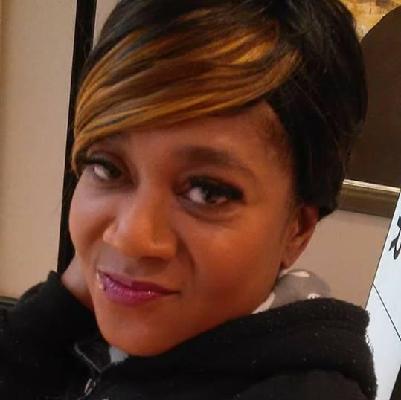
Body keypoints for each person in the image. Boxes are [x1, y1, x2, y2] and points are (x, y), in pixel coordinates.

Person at [0, 0, 376, 399]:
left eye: (207, 192)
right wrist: (65, 305)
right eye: (107, 168)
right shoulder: (103, 319)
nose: (130, 237)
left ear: (297, 229)